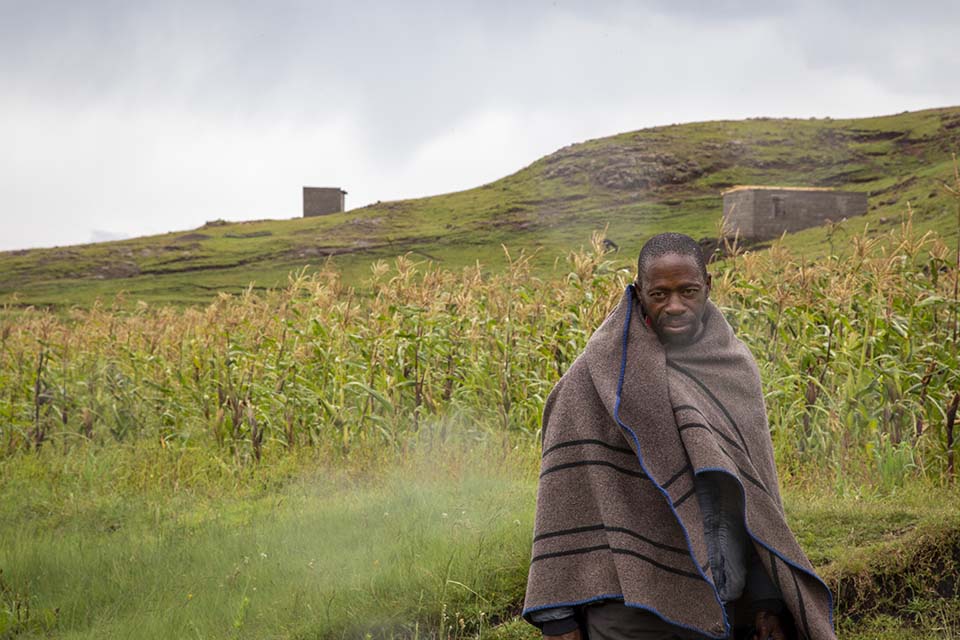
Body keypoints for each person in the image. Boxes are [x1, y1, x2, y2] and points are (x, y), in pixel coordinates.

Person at [522, 233, 836, 640]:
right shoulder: (594, 377)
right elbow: (564, 493)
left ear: (708, 285)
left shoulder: (733, 368)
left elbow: (756, 495)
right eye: (660, 293)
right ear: (638, 292)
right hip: (627, 611)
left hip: (722, 598)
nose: (674, 306)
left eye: (688, 291)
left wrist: (767, 601)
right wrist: (558, 617)